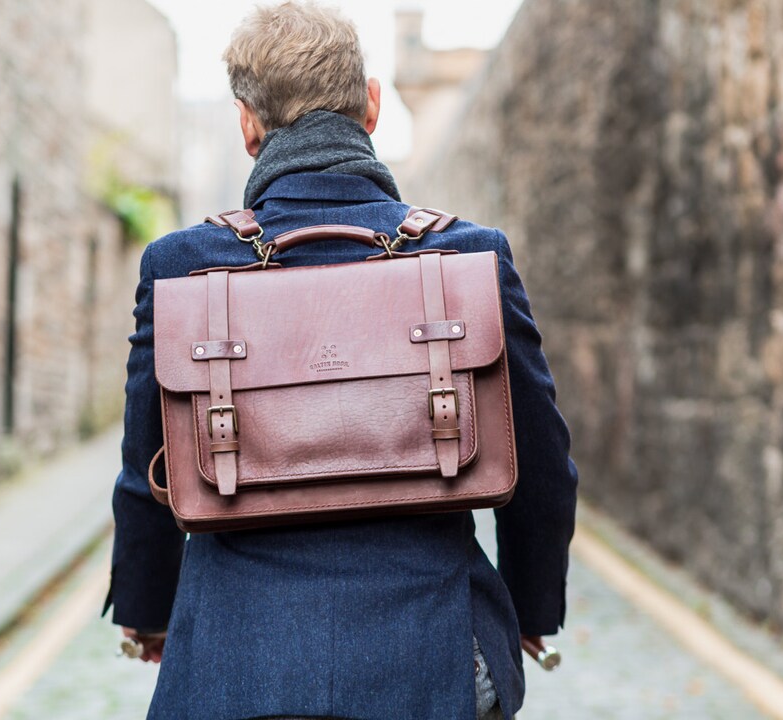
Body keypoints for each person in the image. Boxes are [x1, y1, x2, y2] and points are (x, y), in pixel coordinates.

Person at [101, 3, 578, 719]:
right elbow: (541, 467)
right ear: (373, 107)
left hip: (235, 670)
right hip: (434, 667)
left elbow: (147, 472)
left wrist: (146, 612)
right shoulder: (468, 258)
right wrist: (531, 610)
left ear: (247, 125)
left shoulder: (181, 267)